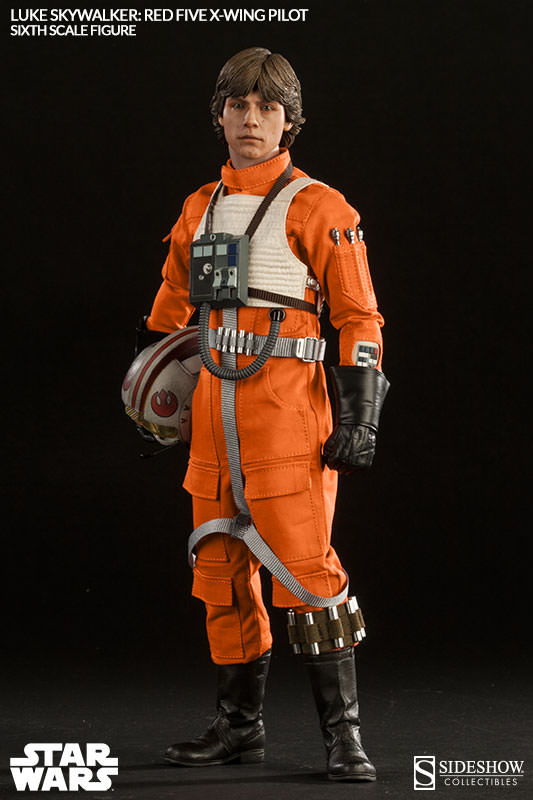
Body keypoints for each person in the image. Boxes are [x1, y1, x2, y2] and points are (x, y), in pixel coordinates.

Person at [137, 47, 389, 782]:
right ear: (219, 115)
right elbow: (169, 310)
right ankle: (237, 728)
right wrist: (153, 396)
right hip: (213, 424)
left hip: (287, 419)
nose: (251, 119)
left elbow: (360, 318)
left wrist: (360, 416)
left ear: (289, 121)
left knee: (308, 575)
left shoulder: (321, 208)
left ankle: (343, 736)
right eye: (238, 106)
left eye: (267, 108)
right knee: (219, 572)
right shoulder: (199, 208)